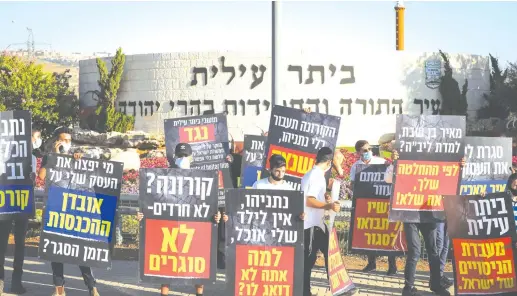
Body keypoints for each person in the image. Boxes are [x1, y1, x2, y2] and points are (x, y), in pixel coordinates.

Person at [137, 143, 227, 296]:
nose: (183, 159)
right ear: (175, 157)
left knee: (199, 259)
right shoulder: (163, 176)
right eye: (180, 156)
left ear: (191, 157)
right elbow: (153, 201)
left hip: (194, 227)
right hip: (169, 227)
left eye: (185, 155)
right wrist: (142, 215)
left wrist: (215, 216)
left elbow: (208, 205)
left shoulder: (202, 177)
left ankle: (199, 293)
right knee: (166, 262)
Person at [387, 149, 465, 296]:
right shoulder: (407, 165)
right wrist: (394, 163)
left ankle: (436, 286)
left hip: (430, 214)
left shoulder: (436, 167)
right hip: (410, 215)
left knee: (433, 251)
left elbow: (450, 178)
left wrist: (459, 167)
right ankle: (408, 287)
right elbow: (389, 179)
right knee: (414, 252)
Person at [38, 127, 99, 296]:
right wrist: (54, 156)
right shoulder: (49, 157)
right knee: (56, 250)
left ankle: (92, 287)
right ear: (56, 141)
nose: (65, 143)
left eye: (68, 140)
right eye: (62, 140)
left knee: (79, 249)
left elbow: (90, 175)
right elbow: (42, 176)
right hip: (55, 208)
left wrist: (80, 160)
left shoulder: (76, 155)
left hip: (73, 209)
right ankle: (59, 289)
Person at [0, 129, 42, 295]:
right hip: (6, 205)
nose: (37, 140)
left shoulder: (31, 157)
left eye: (38, 137)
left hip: (22, 204)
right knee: (2, 245)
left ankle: (17, 282)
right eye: (35, 137)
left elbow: (32, 181)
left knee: (20, 245)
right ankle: (1, 282)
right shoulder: (3, 156)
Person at [351, 140, 398, 275]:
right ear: (358, 152)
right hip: (366, 204)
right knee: (369, 233)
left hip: (383, 202)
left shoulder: (381, 162)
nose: (368, 152)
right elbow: (353, 184)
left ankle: (392, 266)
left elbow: (392, 175)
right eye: (365, 150)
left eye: (370, 149)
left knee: (387, 233)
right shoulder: (355, 166)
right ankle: (371, 264)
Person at [301, 147, 343, 296]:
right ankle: (305, 291)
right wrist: (328, 205)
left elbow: (314, 197)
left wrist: (325, 198)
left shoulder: (315, 174)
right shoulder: (315, 176)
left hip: (316, 224)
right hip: (311, 225)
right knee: (309, 260)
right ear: (330, 162)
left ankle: (339, 287)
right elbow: (308, 200)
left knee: (328, 254)